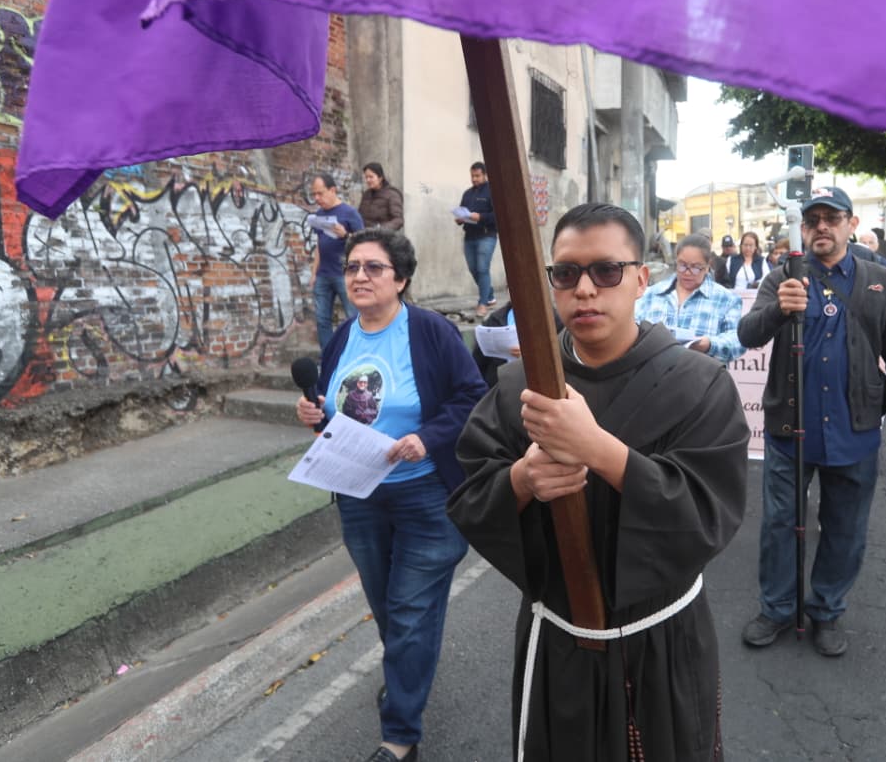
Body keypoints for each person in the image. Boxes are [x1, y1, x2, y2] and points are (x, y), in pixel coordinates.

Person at [449, 203, 749, 761]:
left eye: (606, 271)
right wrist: (520, 480)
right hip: (559, 636)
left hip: (660, 641)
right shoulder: (520, 385)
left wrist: (602, 453)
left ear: (640, 280)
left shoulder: (699, 385)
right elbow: (470, 493)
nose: (584, 289)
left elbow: (709, 514)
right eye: (566, 273)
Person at [294, 228, 486, 762]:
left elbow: (473, 394)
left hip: (425, 497)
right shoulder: (341, 337)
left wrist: (428, 438)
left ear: (400, 278)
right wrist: (314, 414)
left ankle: (399, 735)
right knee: (387, 607)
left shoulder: (430, 332)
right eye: (353, 266)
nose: (359, 276)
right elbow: (337, 410)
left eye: (373, 267)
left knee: (408, 609)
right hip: (359, 496)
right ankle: (408, 673)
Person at [738, 185, 886, 657]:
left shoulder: (879, 280)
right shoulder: (782, 277)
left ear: (850, 224)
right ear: (802, 229)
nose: (822, 226)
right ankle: (777, 608)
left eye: (832, 217)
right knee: (780, 523)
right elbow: (747, 333)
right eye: (813, 219)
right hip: (788, 431)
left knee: (845, 526)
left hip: (855, 430)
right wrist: (781, 308)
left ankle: (826, 609)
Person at [634, 233, 746, 363]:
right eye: (682, 265)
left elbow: (738, 341)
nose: (687, 272)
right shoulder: (651, 295)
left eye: (695, 267)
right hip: (653, 377)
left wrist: (709, 344)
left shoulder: (727, 300)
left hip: (702, 379)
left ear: (707, 266)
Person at [309, 172, 364, 349]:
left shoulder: (349, 213)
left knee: (352, 317)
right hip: (323, 275)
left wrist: (346, 235)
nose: (317, 198)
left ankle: (354, 353)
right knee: (322, 319)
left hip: (344, 274)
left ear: (333, 190)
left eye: (320, 193)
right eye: (314, 194)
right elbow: (320, 244)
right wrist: (314, 272)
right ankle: (328, 358)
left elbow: (364, 242)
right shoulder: (318, 214)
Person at [470, 300, 565, 389]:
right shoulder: (495, 318)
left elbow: (563, 356)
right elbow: (478, 362)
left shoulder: (553, 318)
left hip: (539, 385)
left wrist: (532, 356)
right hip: (501, 386)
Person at [456, 161, 498, 316]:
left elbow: (497, 216)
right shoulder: (467, 194)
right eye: (472, 176)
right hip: (470, 236)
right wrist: (460, 218)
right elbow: (462, 211)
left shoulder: (492, 191)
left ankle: (483, 303)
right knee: (474, 270)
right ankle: (490, 295)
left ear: (485, 175)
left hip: (486, 236)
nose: (474, 179)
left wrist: (479, 217)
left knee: (482, 269)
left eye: (477, 176)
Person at [359, 162, 404, 232]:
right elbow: (360, 216)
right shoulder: (366, 195)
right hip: (366, 236)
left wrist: (380, 229)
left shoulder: (392, 194)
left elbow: (398, 220)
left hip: (384, 237)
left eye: (371, 177)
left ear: (380, 178)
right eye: (366, 177)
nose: (368, 180)